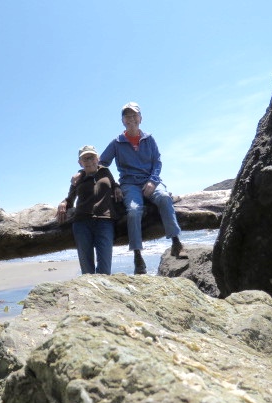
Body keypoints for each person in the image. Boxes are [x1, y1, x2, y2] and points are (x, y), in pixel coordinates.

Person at [99, 101, 186, 275]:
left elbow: (157, 162)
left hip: (150, 181)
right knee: (133, 210)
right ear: (123, 121)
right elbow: (101, 164)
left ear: (140, 118)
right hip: (129, 184)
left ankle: (176, 242)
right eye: (127, 116)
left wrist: (153, 181)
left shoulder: (149, 139)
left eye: (134, 115)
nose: (131, 118)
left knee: (164, 198)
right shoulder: (116, 142)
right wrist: (114, 185)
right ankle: (138, 256)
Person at [56, 145, 122, 275]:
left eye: (91, 157)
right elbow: (70, 199)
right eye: (85, 159)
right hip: (81, 223)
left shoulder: (105, 172)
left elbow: (114, 183)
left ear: (98, 158)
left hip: (105, 221)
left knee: (104, 270)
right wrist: (63, 203)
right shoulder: (78, 179)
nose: (89, 161)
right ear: (80, 162)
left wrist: (117, 187)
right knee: (87, 270)